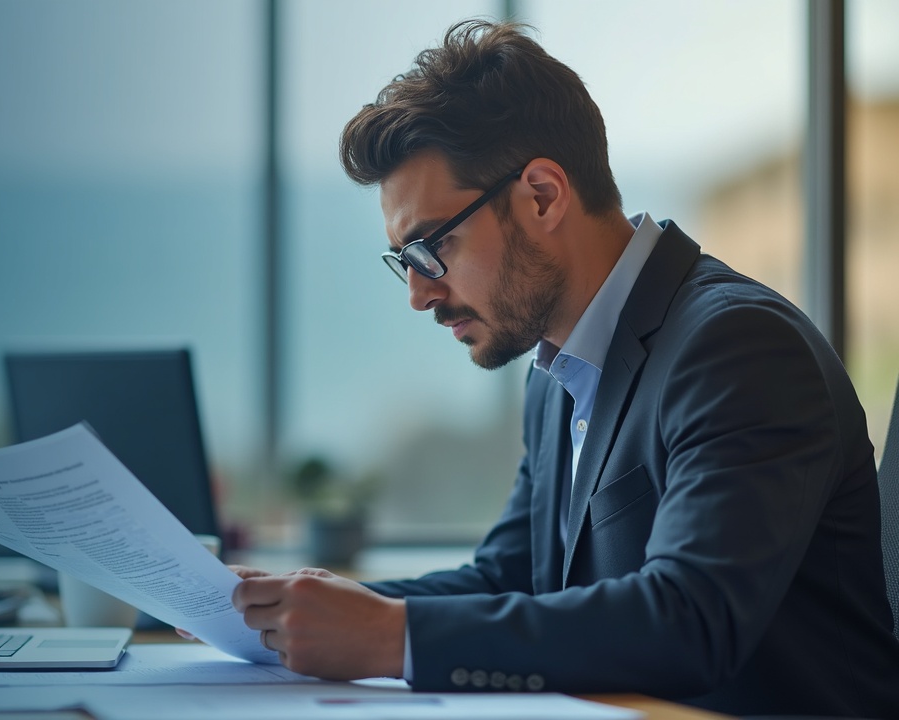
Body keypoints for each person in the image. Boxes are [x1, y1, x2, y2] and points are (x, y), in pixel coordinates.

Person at [227, 19, 899, 717]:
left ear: (542, 195)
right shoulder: (559, 372)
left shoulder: (738, 348)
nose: (419, 293)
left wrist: (391, 637)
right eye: (406, 262)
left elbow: (690, 620)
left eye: (431, 249)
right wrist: (302, 607)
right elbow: (512, 579)